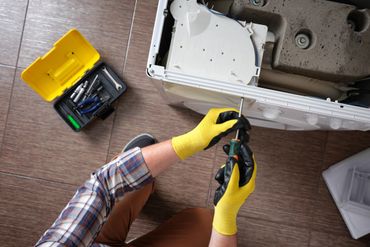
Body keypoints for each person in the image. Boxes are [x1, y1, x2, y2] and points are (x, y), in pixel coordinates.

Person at [35, 108, 257, 247]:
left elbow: (103, 184)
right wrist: (226, 216)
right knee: (206, 224)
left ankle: (142, 185)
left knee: (135, 175)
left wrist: (189, 142)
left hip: (94, 242)